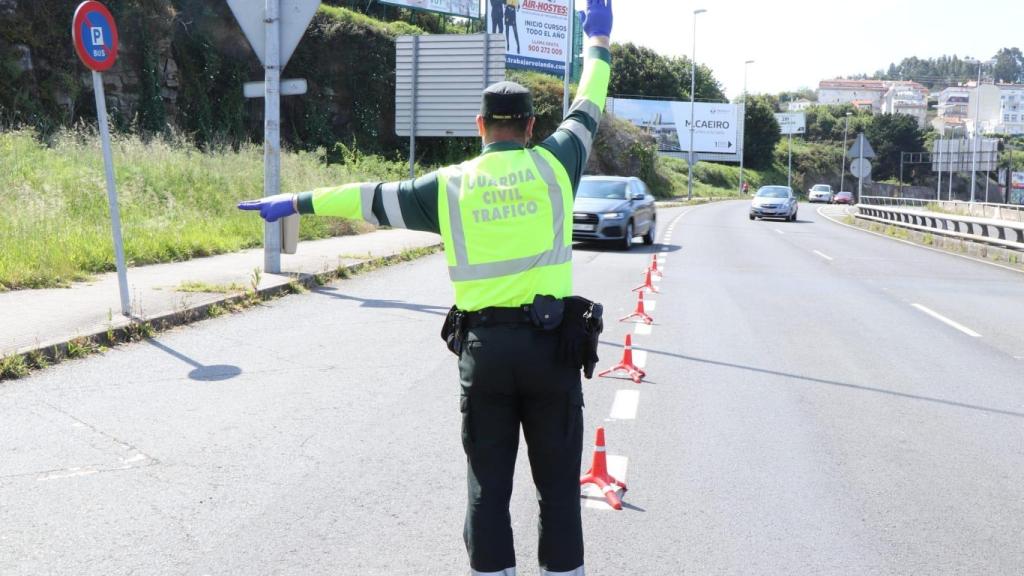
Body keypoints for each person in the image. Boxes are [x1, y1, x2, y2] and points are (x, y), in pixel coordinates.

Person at [237, 2, 613, 573]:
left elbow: (369, 197)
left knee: (488, 488)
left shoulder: (450, 186)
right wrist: (599, 43)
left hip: (485, 357)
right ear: (532, 128)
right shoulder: (558, 163)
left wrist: (296, 201)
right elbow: (588, 102)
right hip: (552, 350)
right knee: (558, 490)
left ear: (480, 127)